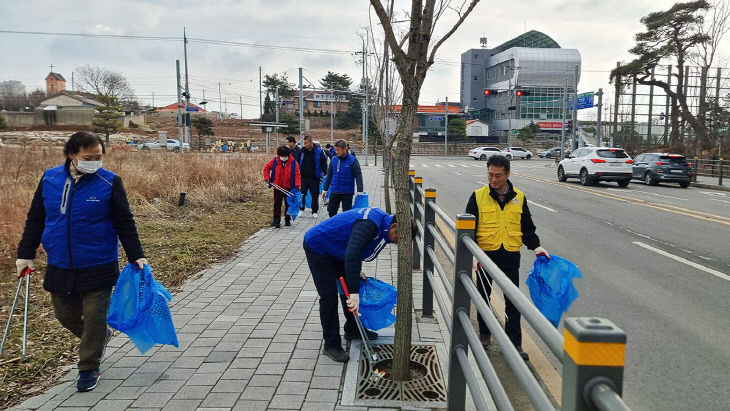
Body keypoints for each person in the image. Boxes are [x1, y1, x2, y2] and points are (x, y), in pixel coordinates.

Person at [16, 131, 147, 392]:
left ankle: (88, 367)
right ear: (72, 155)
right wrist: (25, 253)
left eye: (98, 157)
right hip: (60, 262)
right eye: (88, 157)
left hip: (98, 261)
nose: (94, 162)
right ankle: (100, 337)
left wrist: (136, 255)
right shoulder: (50, 178)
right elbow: (36, 218)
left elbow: (125, 221)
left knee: (95, 317)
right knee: (65, 314)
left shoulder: (109, 182)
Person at [465, 155, 548, 361]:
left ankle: (514, 343)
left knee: (513, 300)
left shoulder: (519, 197)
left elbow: (526, 227)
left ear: (508, 174)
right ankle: (485, 334)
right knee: (484, 296)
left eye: (498, 176)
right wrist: (474, 256)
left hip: (510, 254)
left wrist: (536, 247)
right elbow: (469, 231)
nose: (493, 180)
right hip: (485, 254)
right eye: (490, 175)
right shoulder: (477, 196)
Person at [303, 207, 398, 362]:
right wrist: (354, 293)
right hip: (318, 247)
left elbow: (356, 249)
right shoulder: (370, 224)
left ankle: (353, 329)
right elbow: (353, 253)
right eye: (397, 237)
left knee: (348, 287)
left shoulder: (382, 223)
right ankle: (331, 344)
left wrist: (354, 274)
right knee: (328, 296)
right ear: (394, 226)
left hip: (337, 249)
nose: (396, 242)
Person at [322, 139, 363, 217]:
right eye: (336, 150)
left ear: (345, 148)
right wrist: (325, 189)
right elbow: (329, 175)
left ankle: (345, 228)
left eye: (339, 150)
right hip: (334, 191)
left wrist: (360, 190)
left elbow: (358, 175)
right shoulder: (334, 159)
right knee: (331, 211)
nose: (337, 152)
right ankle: (334, 227)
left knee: (347, 214)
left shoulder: (353, 160)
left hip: (347, 192)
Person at [263, 145, 301, 228]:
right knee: (277, 204)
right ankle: (276, 220)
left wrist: (297, 185)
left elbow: (297, 174)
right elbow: (266, 168)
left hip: (289, 187)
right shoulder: (275, 160)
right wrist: (267, 178)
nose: (283, 157)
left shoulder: (294, 163)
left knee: (288, 203)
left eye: (284, 156)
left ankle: (287, 219)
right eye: (281, 156)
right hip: (277, 186)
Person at [297, 135, 328, 218]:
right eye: (304, 143)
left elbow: (323, 162)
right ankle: (301, 209)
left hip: (315, 177)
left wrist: (326, 172)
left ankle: (315, 211)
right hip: (303, 177)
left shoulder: (318, 151)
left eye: (306, 143)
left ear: (311, 142)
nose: (305, 145)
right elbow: (297, 161)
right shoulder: (302, 151)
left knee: (314, 195)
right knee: (302, 194)